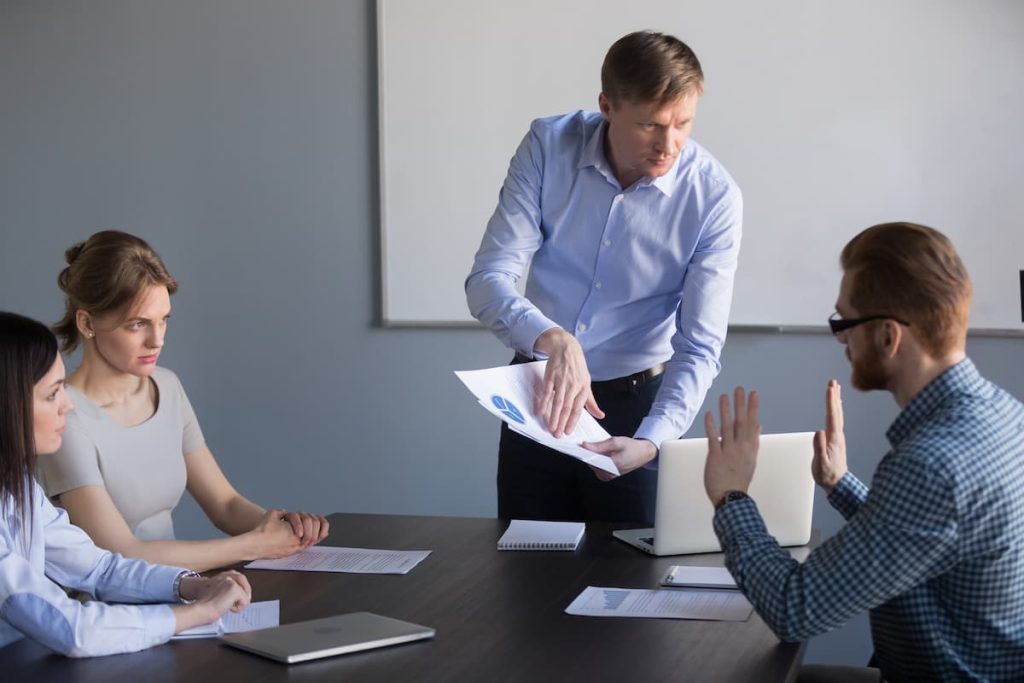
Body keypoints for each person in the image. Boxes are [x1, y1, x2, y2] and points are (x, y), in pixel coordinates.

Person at [703, 222, 1024, 682]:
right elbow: (929, 539)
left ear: (890, 337)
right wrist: (840, 483)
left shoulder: (930, 464)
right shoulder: (1004, 414)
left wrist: (731, 497)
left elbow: (796, 608)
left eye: (844, 322)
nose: (840, 340)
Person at [465, 30, 742, 523]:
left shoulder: (714, 198)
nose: (669, 144)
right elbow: (489, 277)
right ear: (607, 106)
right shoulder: (549, 146)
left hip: (638, 411)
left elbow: (700, 345)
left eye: (684, 124)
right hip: (537, 393)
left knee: (631, 582)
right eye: (652, 125)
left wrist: (652, 441)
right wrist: (553, 339)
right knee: (525, 576)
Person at [36, 230, 329, 573]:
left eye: (164, 320)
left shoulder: (167, 386)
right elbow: (120, 553)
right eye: (137, 324)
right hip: (107, 613)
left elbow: (225, 505)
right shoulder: (63, 417)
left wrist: (283, 528)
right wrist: (253, 545)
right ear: (86, 323)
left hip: (181, 593)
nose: (156, 340)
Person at [0, 311, 252, 656]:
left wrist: (189, 585)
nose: (68, 404)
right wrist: (197, 614)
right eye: (52, 394)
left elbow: (96, 567)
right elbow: (70, 629)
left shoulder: (18, 488)